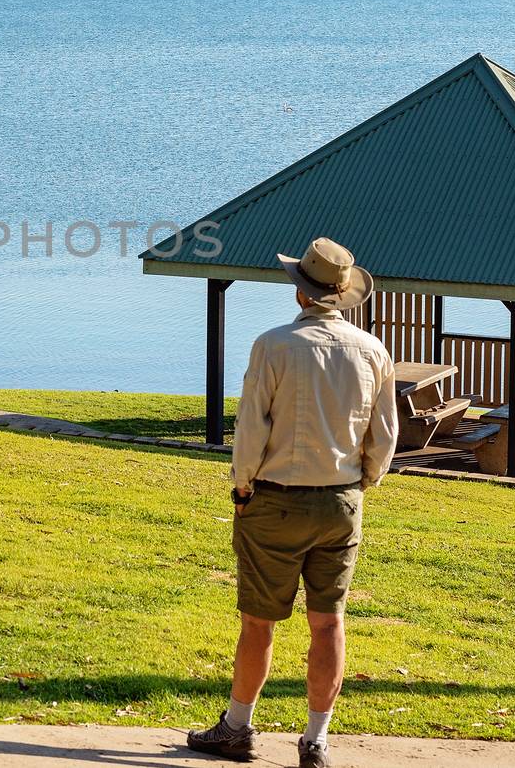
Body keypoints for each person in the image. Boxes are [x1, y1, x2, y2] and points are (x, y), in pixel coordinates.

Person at [186, 237, 398, 767]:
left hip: (275, 501)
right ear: (344, 294)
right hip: (340, 502)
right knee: (328, 622)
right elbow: (385, 433)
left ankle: (238, 727)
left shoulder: (273, 346)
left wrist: (242, 484)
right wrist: (361, 482)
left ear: (301, 293)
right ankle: (316, 740)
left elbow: (251, 427)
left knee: (259, 622)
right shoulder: (372, 350)